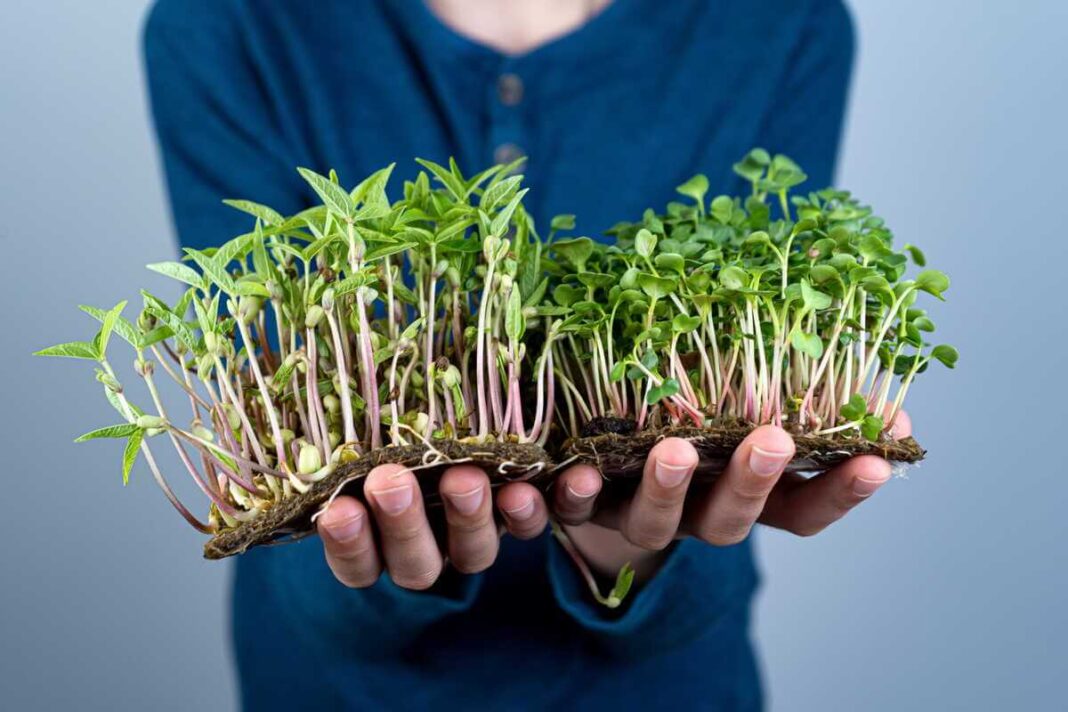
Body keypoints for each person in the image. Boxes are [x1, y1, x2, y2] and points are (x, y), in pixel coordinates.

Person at [144, 1, 904, 709]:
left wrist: (629, 535)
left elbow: (756, 316)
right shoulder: (226, 22)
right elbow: (273, 392)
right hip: (345, 681)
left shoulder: (783, 21)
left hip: (661, 681)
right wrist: (368, 530)